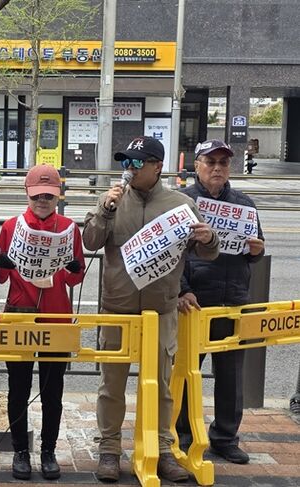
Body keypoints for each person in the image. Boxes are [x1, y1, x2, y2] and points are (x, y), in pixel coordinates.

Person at [82, 136, 219, 483]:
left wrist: (209, 239)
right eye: (125, 162)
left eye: (137, 162)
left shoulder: (181, 204)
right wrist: (105, 209)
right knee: (111, 386)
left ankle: (161, 449)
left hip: (161, 310)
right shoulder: (112, 200)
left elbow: (206, 253)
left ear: (157, 167)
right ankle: (109, 450)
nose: (129, 168)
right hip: (117, 310)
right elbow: (90, 241)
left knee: (160, 385)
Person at [176, 139, 265, 464]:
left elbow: (255, 250)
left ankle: (226, 438)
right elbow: (171, 255)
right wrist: (182, 290)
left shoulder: (244, 204)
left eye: (223, 163)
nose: (217, 168)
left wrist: (257, 251)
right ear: (197, 165)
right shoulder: (183, 202)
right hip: (195, 302)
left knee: (231, 376)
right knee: (187, 372)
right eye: (210, 162)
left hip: (233, 300)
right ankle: (183, 436)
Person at [0, 164, 85, 480]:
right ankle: (20, 451)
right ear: (27, 194)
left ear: (58, 195)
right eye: (37, 196)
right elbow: (0, 276)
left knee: (52, 389)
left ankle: (48, 450)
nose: (42, 201)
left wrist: (73, 266)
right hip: (20, 311)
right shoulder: (11, 227)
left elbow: (75, 278)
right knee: (18, 387)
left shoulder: (69, 228)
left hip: (56, 314)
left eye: (48, 195)